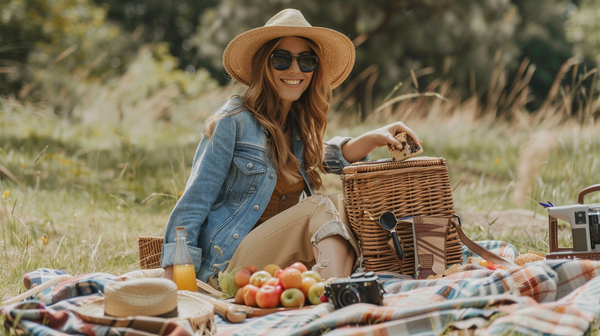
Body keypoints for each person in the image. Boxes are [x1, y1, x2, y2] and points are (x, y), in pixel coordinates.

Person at [161, 8, 421, 286]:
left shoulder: (296, 127)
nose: (295, 69)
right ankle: (338, 292)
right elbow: (193, 203)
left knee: (344, 204)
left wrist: (374, 136)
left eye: (306, 61)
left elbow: (327, 156)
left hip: (273, 268)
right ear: (264, 65)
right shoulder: (233, 121)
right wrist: (175, 287)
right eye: (281, 59)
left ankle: (337, 287)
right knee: (322, 203)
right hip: (227, 266)